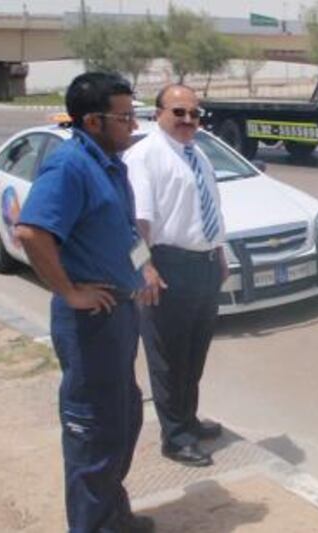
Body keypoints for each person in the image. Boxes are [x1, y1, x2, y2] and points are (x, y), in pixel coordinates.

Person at [15, 72, 153, 532]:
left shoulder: (111, 164)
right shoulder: (70, 165)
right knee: (92, 431)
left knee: (123, 418)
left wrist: (144, 268)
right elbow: (32, 232)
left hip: (119, 310)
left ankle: (113, 516)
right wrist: (69, 292)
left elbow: (126, 232)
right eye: (125, 116)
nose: (133, 125)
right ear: (93, 121)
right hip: (91, 318)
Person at [123, 84, 228, 467]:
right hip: (166, 265)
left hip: (202, 266)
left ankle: (188, 419)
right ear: (159, 113)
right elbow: (136, 223)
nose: (187, 120)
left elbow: (209, 209)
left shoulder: (197, 154)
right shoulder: (145, 157)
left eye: (194, 114)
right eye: (178, 112)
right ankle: (176, 436)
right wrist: (144, 267)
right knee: (168, 357)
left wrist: (219, 253)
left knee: (194, 353)